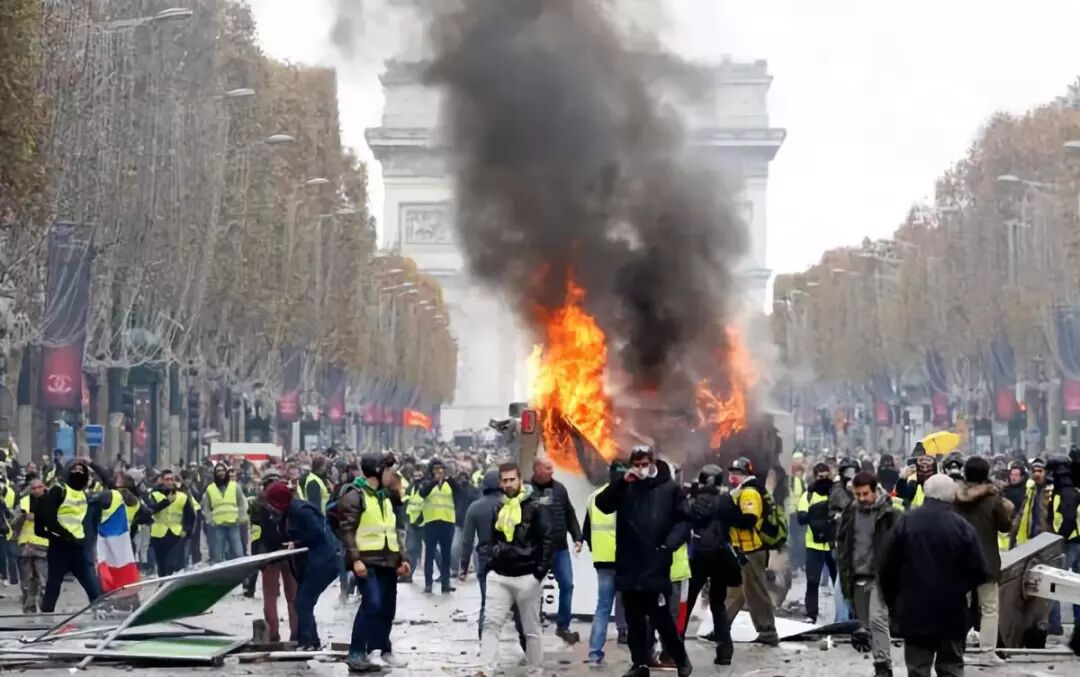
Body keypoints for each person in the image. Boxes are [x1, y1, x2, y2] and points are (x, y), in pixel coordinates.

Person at [595, 446, 692, 677]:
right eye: (636, 464)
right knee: (634, 620)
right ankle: (640, 663)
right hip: (629, 563)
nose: (640, 469)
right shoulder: (625, 487)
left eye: (644, 464)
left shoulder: (670, 489)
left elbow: (684, 521)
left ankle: (680, 658)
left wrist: (668, 546)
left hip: (655, 564)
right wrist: (620, 483)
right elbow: (603, 504)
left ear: (652, 463)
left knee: (661, 618)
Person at [879, 474, 988, 677]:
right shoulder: (962, 527)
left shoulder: (905, 522)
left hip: (914, 610)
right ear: (952, 495)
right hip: (952, 611)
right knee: (951, 667)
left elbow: (887, 567)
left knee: (918, 668)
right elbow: (979, 570)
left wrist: (894, 603)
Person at [476, 463, 554, 677]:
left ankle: (535, 670)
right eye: (504, 480)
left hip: (527, 576)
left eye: (512, 479)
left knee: (531, 629)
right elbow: (493, 539)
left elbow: (548, 540)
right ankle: (484, 669)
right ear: (500, 482)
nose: (508, 484)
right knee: (491, 623)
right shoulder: (498, 508)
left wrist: (539, 573)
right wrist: (491, 565)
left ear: (520, 480)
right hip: (500, 576)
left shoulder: (536, 507)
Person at [338, 455, 411, 673]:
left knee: (388, 607)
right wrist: (355, 560)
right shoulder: (354, 495)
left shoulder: (385, 496)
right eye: (389, 470)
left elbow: (394, 530)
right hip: (367, 561)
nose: (393, 475)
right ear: (378, 472)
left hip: (388, 560)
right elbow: (347, 531)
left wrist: (402, 559)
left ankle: (382, 649)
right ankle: (357, 653)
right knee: (372, 604)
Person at [266, 480, 342, 651]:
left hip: (323, 563)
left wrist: (297, 542)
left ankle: (310, 642)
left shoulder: (300, 512)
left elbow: (316, 534)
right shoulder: (291, 510)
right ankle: (305, 640)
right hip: (316, 563)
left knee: (303, 603)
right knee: (302, 602)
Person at [836, 472, 899, 677]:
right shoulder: (850, 512)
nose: (862, 498)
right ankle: (879, 659)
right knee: (865, 622)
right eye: (857, 494)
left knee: (877, 618)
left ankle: (883, 666)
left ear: (875, 490)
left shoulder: (889, 513)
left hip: (880, 574)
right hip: (857, 574)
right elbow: (844, 541)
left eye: (865, 494)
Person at [36, 458, 115, 611]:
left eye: (82, 470)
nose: (78, 473)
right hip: (60, 547)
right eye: (75, 470)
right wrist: (64, 535)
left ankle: (101, 617)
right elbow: (48, 518)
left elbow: (111, 485)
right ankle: (45, 621)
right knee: (54, 586)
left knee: (93, 587)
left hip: (79, 547)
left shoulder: (85, 495)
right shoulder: (58, 490)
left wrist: (93, 463)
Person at [955, 455, 1013, 659]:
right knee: (989, 607)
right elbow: (1006, 526)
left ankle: (955, 648)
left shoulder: (955, 498)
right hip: (986, 559)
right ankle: (987, 652)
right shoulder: (993, 499)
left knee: (958, 605)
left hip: (960, 560)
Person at [460, 469, 526, 648]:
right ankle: (527, 646)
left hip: (485, 558)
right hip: (513, 557)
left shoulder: (474, 507)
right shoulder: (513, 505)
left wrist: (463, 567)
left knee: (487, 604)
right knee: (519, 605)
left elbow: (466, 541)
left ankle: (485, 647)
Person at [686, 464, 741, 666]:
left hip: (696, 556)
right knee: (718, 604)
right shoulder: (725, 501)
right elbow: (738, 520)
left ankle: (673, 648)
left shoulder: (693, 501)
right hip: (719, 556)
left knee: (688, 601)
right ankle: (724, 650)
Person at [724, 456, 780, 646]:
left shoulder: (749, 493)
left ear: (746, 474)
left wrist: (727, 512)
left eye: (737, 473)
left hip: (752, 549)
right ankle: (722, 626)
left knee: (755, 591)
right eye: (731, 472)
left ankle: (767, 631)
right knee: (738, 591)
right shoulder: (740, 491)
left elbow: (748, 521)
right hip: (743, 548)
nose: (733, 476)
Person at [530, 455, 583, 643]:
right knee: (532, 589)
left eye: (552, 468)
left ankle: (563, 626)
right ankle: (532, 625)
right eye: (547, 468)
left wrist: (577, 536)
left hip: (560, 549)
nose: (552, 472)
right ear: (537, 470)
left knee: (567, 585)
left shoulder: (559, 489)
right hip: (536, 550)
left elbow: (570, 513)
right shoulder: (527, 491)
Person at [583, 462, 630, 667]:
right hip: (626, 559)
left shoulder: (595, 496)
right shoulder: (630, 495)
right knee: (632, 605)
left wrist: (596, 550)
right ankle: (638, 655)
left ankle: (594, 654)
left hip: (602, 561)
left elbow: (587, 531)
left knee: (603, 607)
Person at [251, 471, 298, 643]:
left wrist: (256, 556)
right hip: (290, 552)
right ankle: (296, 634)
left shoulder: (258, 505)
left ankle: (273, 635)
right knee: (293, 596)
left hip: (269, 554)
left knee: (270, 596)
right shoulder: (292, 502)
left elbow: (256, 534)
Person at [796, 462, 838, 624]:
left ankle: (844, 615)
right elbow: (801, 518)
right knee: (812, 580)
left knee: (838, 582)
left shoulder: (836, 493)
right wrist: (819, 514)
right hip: (813, 544)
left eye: (826, 476)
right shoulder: (808, 495)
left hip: (832, 544)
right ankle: (811, 614)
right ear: (814, 477)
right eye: (820, 477)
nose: (824, 479)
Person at [418, 459, 458, 594]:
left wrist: (452, 481)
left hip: (447, 521)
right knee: (430, 554)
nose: (439, 471)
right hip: (431, 521)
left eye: (441, 468)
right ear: (431, 470)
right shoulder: (426, 482)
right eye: (436, 469)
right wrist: (434, 481)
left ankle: (445, 582)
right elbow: (422, 493)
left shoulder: (449, 483)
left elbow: (460, 494)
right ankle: (428, 583)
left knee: (446, 554)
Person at [146, 468, 196, 577]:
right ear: (162, 481)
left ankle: (171, 581)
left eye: (171, 479)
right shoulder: (154, 495)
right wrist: (167, 502)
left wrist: (186, 531)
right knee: (161, 564)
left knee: (173, 563)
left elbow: (190, 516)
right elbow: (151, 510)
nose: (169, 482)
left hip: (176, 534)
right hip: (159, 534)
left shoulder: (182, 496)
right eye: (167, 479)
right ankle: (163, 582)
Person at [12, 479, 48, 612]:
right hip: (25, 547)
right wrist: (22, 517)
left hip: (43, 547)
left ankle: (46, 609)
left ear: (43, 488)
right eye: (33, 488)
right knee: (27, 581)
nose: (36, 490)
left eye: (39, 487)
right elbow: (13, 524)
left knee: (44, 580)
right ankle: (29, 609)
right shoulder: (24, 502)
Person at [202, 462, 247, 564]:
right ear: (215, 473)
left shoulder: (235, 486)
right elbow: (206, 508)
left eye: (223, 470)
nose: (221, 473)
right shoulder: (210, 489)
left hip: (233, 524)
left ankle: (240, 575)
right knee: (218, 556)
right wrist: (210, 520)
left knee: (238, 553)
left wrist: (240, 517)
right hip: (218, 526)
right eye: (218, 471)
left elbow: (242, 503)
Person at [1011, 457, 1050, 549]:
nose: (1037, 474)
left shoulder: (1049, 491)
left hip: (1046, 538)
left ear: (1045, 473)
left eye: (1040, 471)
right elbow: (1022, 512)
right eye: (1034, 471)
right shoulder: (1030, 490)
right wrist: (1013, 530)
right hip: (1029, 537)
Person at [451, 468, 479, 578]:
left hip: (471, 523)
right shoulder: (456, 490)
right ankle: (455, 569)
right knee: (454, 547)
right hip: (458, 523)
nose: (462, 480)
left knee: (473, 548)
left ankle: (475, 570)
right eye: (460, 478)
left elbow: (477, 500)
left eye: (464, 478)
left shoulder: (473, 490)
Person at [402, 467, 426, 583]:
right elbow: (406, 503)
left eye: (419, 476)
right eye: (415, 476)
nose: (417, 479)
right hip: (412, 523)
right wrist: (406, 519)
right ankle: (408, 575)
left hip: (424, 523)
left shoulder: (427, 487)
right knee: (411, 550)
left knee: (433, 551)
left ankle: (444, 574)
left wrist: (421, 518)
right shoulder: (411, 487)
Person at [788, 452, 807, 572]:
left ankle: (798, 563)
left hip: (797, 514)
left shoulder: (799, 482)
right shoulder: (793, 481)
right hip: (792, 514)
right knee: (796, 540)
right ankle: (796, 563)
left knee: (798, 540)